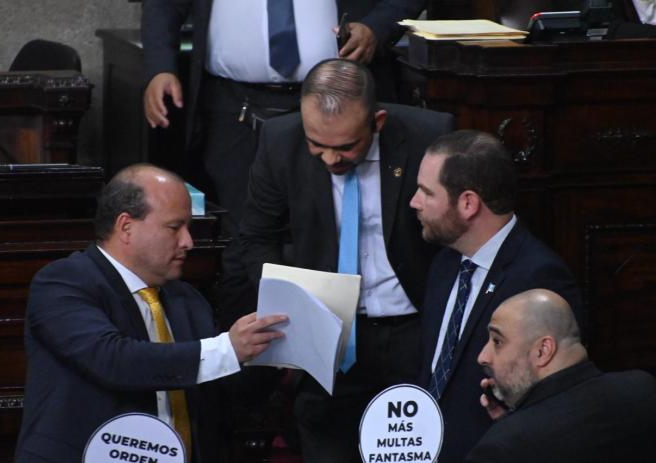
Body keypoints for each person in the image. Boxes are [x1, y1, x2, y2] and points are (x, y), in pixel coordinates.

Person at [238, 58, 454, 463]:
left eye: (345, 147)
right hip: (327, 330)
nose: (330, 160)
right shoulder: (279, 141)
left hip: (412, 326)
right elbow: (256, 237)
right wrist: (286, 304)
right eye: (316, 145)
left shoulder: (429, 136)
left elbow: (455, 236)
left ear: (378, 121)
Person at [15, 164, 287, 463]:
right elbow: (112, 359)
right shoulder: (63, 282)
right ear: (126, 227)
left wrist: (274, 352)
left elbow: (224, 395)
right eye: (175, 227)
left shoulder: (188, 301)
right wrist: (227, 348)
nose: (188, 242)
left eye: (189, 228)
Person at [141, 0, 426, 237]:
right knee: (242, 237)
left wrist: (376, 28)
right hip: (233, 110)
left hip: (337, 106)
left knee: (337, 232)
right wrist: (159, 67)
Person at [409, 130, 582, 463]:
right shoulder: (444, 262)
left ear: (468, 204)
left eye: (427, 192)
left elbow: (551, 402)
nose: (414, 201)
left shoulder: (539, 279)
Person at [467, 289, 656, 463]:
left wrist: (512, 429)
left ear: (542, 350)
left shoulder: (500, 449)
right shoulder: (643, 389)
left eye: (497, 341)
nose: (482, 357)